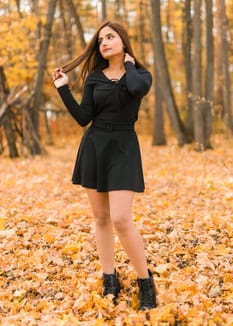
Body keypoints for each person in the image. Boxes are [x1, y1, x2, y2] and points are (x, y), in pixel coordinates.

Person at [52, 20, 156, 310]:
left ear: (123, 40)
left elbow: (135, 88)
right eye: (100, 40)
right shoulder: (95, 78)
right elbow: (83, 117)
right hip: (95, 146)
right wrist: (63, 88)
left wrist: (130, 64)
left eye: (110, 37)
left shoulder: (141, 74)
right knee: (100, 218)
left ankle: (145, 282)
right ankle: (109, 278)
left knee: (121, 218)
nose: (104, 43)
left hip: (124, 148)